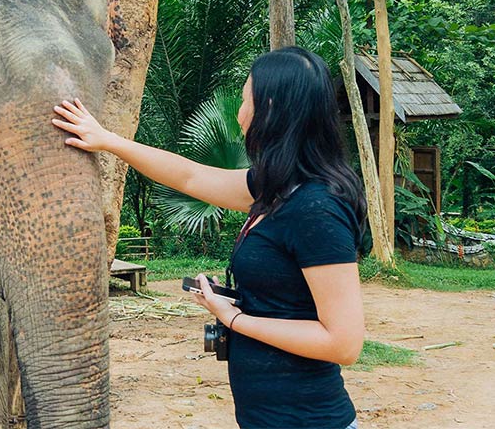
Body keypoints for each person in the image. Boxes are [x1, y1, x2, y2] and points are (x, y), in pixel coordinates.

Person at [52, 46, 365, 429]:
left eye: (245, 97)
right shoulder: (276, 189)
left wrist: (233, 318)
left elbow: (344, 343)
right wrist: (107, 140)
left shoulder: (317, 208)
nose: (240, 112)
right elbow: (190, 177)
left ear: (268, 108)